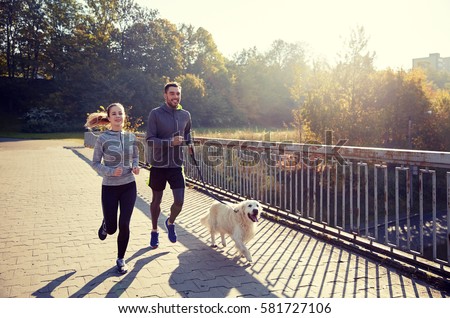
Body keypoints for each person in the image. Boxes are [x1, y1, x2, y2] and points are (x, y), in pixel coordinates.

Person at [85, 103, 140, 274]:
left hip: (129, 186)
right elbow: (94, 163)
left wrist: (136, 166)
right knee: (112, 229)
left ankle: (121, 259)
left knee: (124, 224)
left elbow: (136, 156)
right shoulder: (102, 139)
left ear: (124, 116)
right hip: (110, 187)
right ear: (109, 118)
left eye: (120, 113)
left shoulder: (130, 137)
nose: (118, 116)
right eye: (114, 114)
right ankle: (105, 225)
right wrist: (110, 171)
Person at [146, 82, 192, 248]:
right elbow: (150, 140)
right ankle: (154, 231)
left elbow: (187, 132)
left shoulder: (185, 114)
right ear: (165, 95)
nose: (175, 97)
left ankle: (170, 222)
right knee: (156, 201)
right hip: (158, 166)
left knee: (179, 201)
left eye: (178, 94)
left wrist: (190, 143)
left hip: (176, 165)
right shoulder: (155, 114)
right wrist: (170, 142)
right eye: (172, 93)